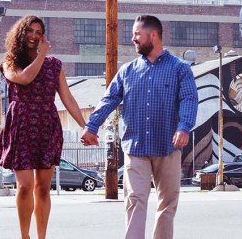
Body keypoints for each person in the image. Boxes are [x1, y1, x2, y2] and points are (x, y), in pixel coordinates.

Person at [81, 15, 198, 239]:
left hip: (168, 145)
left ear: (153, 35)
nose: (133, 39)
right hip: (135, 147)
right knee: (135, 200)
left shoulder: (180, 68)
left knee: (167, 202)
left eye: (137, 34)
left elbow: (189, 99)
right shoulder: (128, 71)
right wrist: (92, 126)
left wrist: (184, 127)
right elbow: (109, 99)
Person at [0, 15, 87, 239]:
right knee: (25, 186)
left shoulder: (54, 65)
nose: (33, 36)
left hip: (47, 125)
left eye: (38, 32)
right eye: (29, 31)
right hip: (21, 125)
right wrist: (42, 54)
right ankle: (25, 236)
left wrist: (86, 127)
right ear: (20, 33)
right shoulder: (10, 62)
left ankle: (41, 237)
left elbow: (67, 98)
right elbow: (25, 78)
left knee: (43, 188)